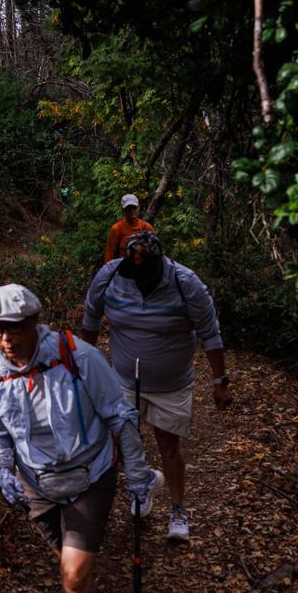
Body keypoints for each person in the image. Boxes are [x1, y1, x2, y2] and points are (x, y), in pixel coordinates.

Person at [0, 283, 163, 593]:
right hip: (36, 487)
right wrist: (2, 467)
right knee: (73, 572)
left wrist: (136, 474)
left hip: (89, 477)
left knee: (75, 575)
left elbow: (119, 415)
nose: (6, 339)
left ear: (33, 322)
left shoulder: (77, 357)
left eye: (14, 327)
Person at [81, 232, 232, 544]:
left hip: (171, 384)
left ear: (160, 264)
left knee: (167, 445)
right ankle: (145, 481)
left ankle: (178, 511)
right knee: (118, 442)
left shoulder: (185, 283)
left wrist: (220, 382)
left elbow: (210, 332)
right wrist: (83, 369)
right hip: (122, 380)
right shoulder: (111, 277)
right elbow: (91, 318)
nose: (137, 279)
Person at [103, 193, 156, 264]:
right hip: (122, 269)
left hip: (144, 270)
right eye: (128, 208)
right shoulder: (117, 229)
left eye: (134, 208)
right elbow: (109, 254)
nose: (132, 211)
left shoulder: (147, 227)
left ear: (138, 207)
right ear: (123, 210)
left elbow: (155, 252)